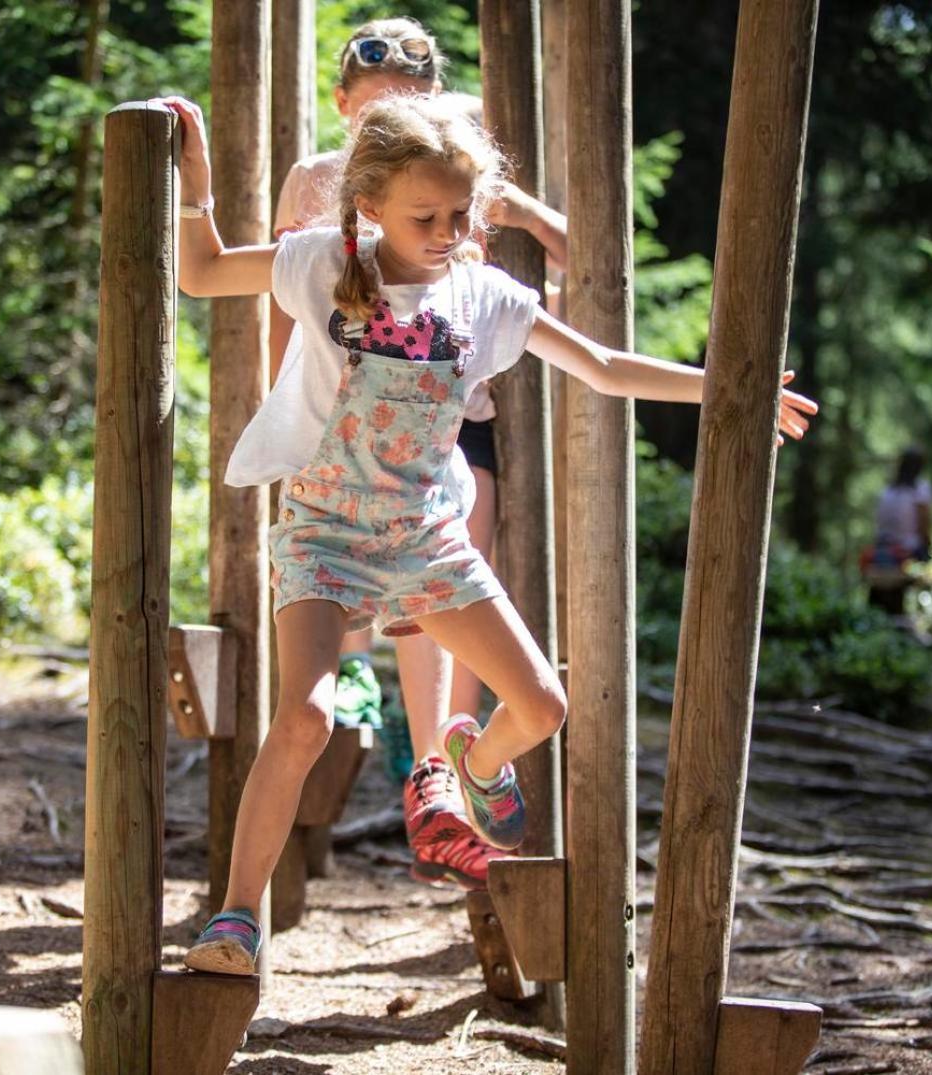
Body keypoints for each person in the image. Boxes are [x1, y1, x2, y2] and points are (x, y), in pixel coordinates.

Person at [151, 91, 816, 974]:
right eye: (424, 215)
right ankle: (235, 917)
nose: (445, 230)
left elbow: (604, 367)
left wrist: (728, 383)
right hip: (326, 531)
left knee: (541, 706)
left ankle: (472, 761)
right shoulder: (319, 263)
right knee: (305, 718)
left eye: (460, 215)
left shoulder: (486, 296)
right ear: (369, 205)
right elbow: (200, 273)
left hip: (428, 539)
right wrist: (194, 182)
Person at [270, 16, 569, 895]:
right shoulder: (321, 183)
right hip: (348, 412)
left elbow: (571, 245)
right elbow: (275, 295)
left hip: (450, 409)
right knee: (360, 567)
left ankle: (442, 761)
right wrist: (278, 414)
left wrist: (529, 243)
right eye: (372, 107)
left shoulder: (454, 165)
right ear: (341, 107)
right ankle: (375, 697)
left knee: (449, 557)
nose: (390, 116)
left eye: (410, 99)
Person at [871, 447, 932, 566]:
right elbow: (924, 524)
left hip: (882, 548)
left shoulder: (887, 491)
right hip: (909, 550)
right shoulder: (921, 488)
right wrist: (929, 547)